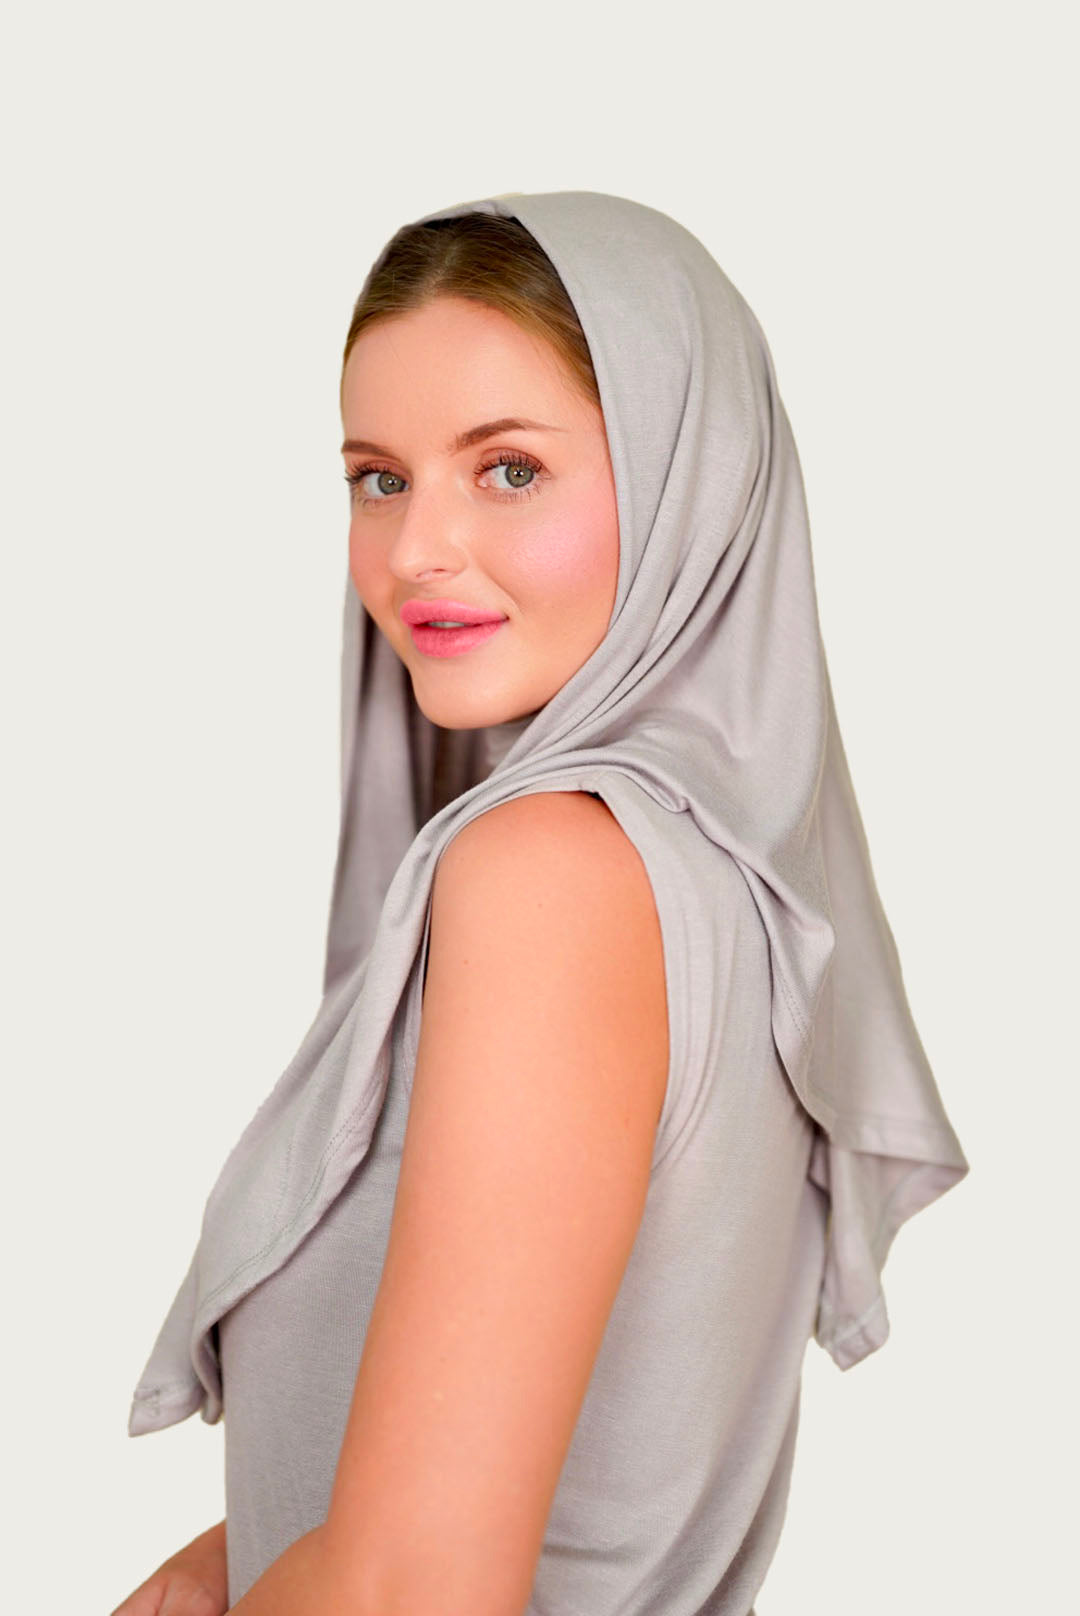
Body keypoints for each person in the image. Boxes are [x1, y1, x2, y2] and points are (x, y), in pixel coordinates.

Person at [114, 190, 970, 1616]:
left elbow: (417, 1593)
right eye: (379, 478)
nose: (416, 550)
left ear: (693, 479)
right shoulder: (706, 873)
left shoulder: (550, 875)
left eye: (508, 469)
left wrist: (358, 1562)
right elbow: (565, 1465)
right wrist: (247, 1557)